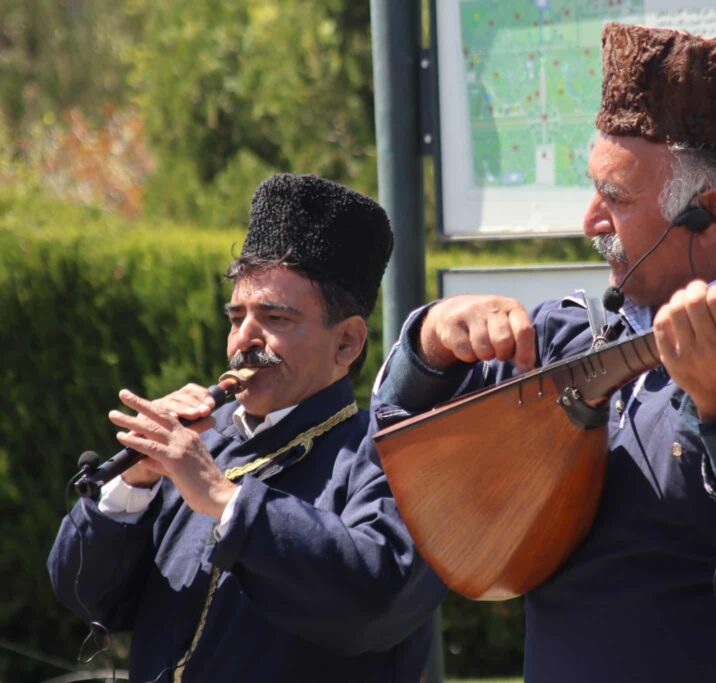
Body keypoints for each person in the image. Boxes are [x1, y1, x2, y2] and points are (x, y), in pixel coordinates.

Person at [372, 23, 716, 682]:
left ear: (712, 211)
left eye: (616, 197)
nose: (590, 220)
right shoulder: (567, 332)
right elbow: (397, 456)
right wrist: (429, 346)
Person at [49, 173, 445, 682]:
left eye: (275, 319)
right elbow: (83, 594)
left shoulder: (393, 455)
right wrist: (135, 482)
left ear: (347, 342)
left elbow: (378, 601)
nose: (243, 341)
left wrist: (223, 498)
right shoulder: (197, 446)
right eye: (236, 318)